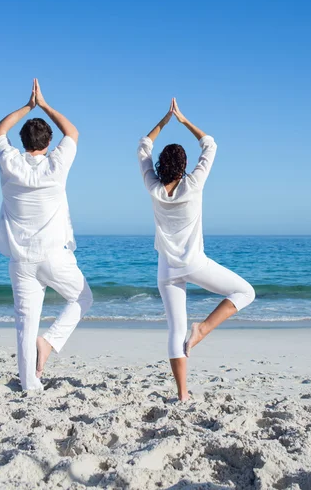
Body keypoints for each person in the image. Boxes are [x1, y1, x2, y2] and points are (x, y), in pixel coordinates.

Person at [137, 98, 255, 401]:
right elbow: (210, 146)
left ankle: (182, 394)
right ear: (185, 165)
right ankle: (202, 328)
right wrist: (184, 120)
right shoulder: (194, 184)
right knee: (245, 292)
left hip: (167, 269)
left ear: (161, 166)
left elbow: (143, 148)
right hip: (194, 264)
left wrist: (163, 121)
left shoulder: (153, 188)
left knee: (175, 331)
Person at [0, 79, 93, 391]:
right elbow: (73, 132)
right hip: (53, 255)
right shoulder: (56, 165)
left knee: (25, 324)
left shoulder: (10, 164)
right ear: (49, 143)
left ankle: (29, 383)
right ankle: (48, 342)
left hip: (20, 258)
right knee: (83, 298)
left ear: (22, 141)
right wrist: (45, 105)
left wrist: (27, 106)